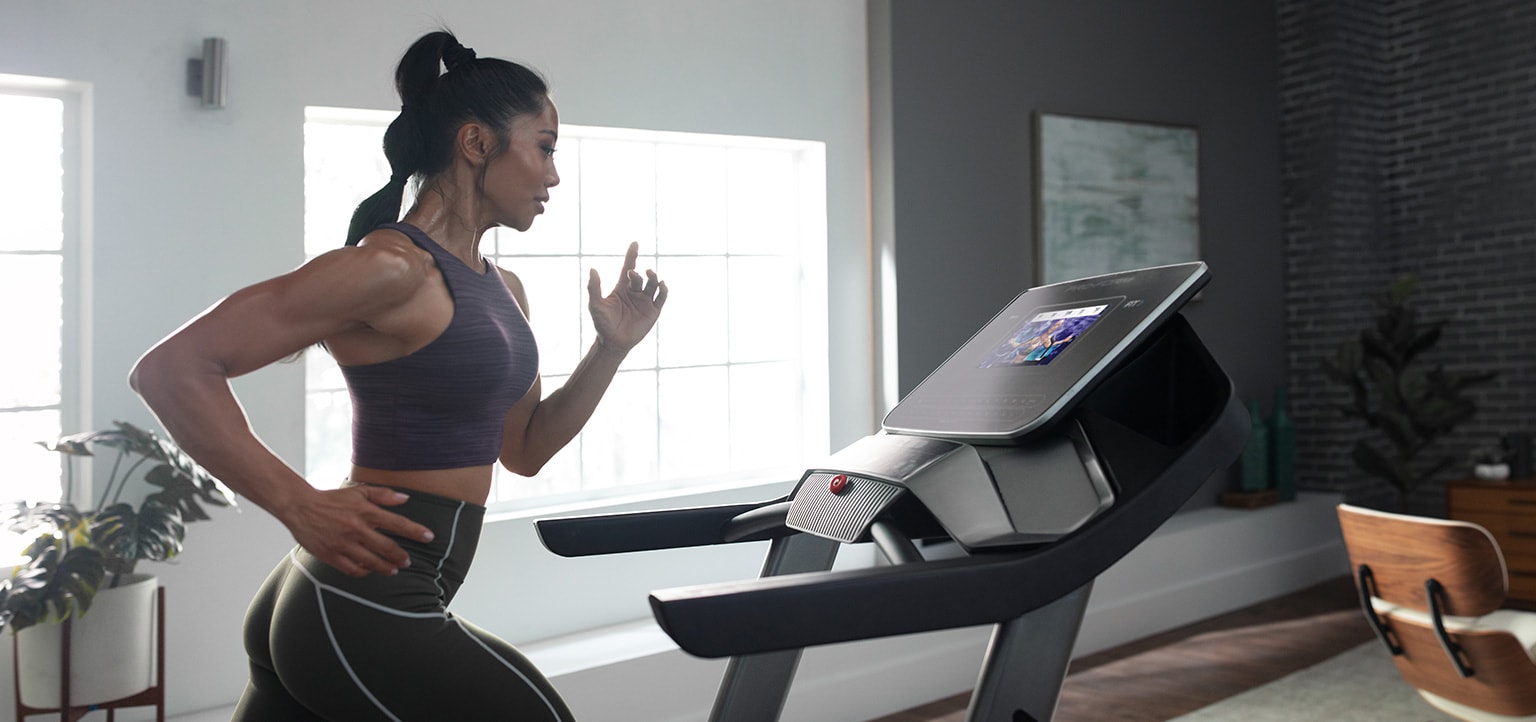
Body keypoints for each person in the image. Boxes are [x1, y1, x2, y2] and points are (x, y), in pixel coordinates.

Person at [129, 30, 666, 721]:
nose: (554, 175)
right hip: (360, 607)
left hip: (342, 605)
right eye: (545, 146)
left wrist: (611, 349)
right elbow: (171, 370)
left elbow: (525, 449)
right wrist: (297, 503)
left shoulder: (503, 287)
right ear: (476, 144)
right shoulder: (391, 268)